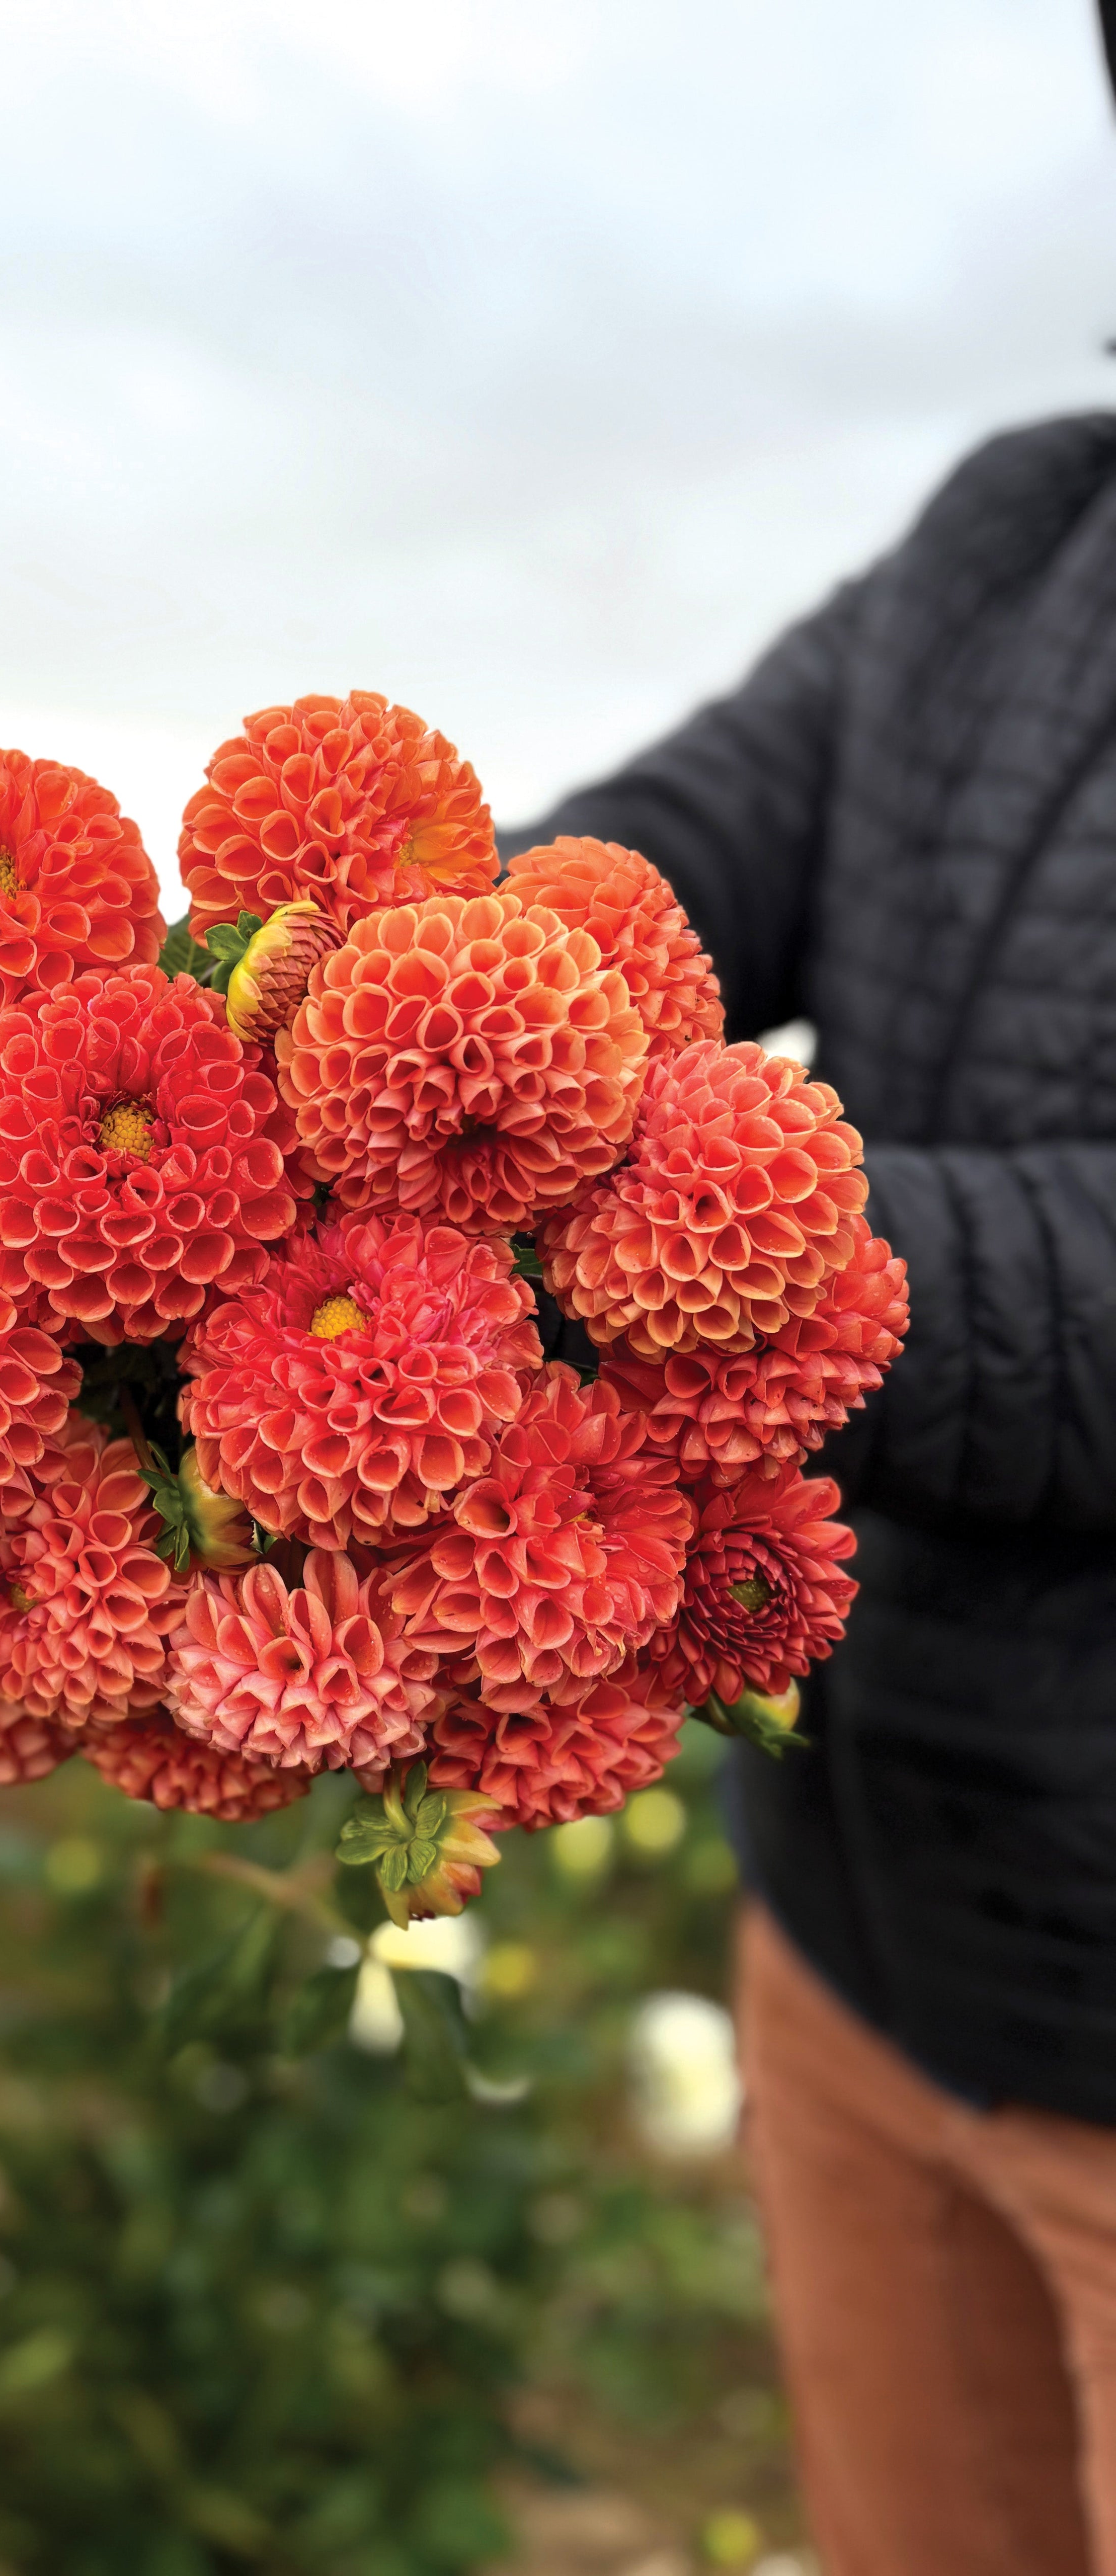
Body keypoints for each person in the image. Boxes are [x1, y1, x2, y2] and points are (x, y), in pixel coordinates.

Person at [514, 34, 1116, 2559]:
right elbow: (680, 839)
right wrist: (364, 1024)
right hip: (857, 1928)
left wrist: (664, 1247)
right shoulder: (1008, 529)